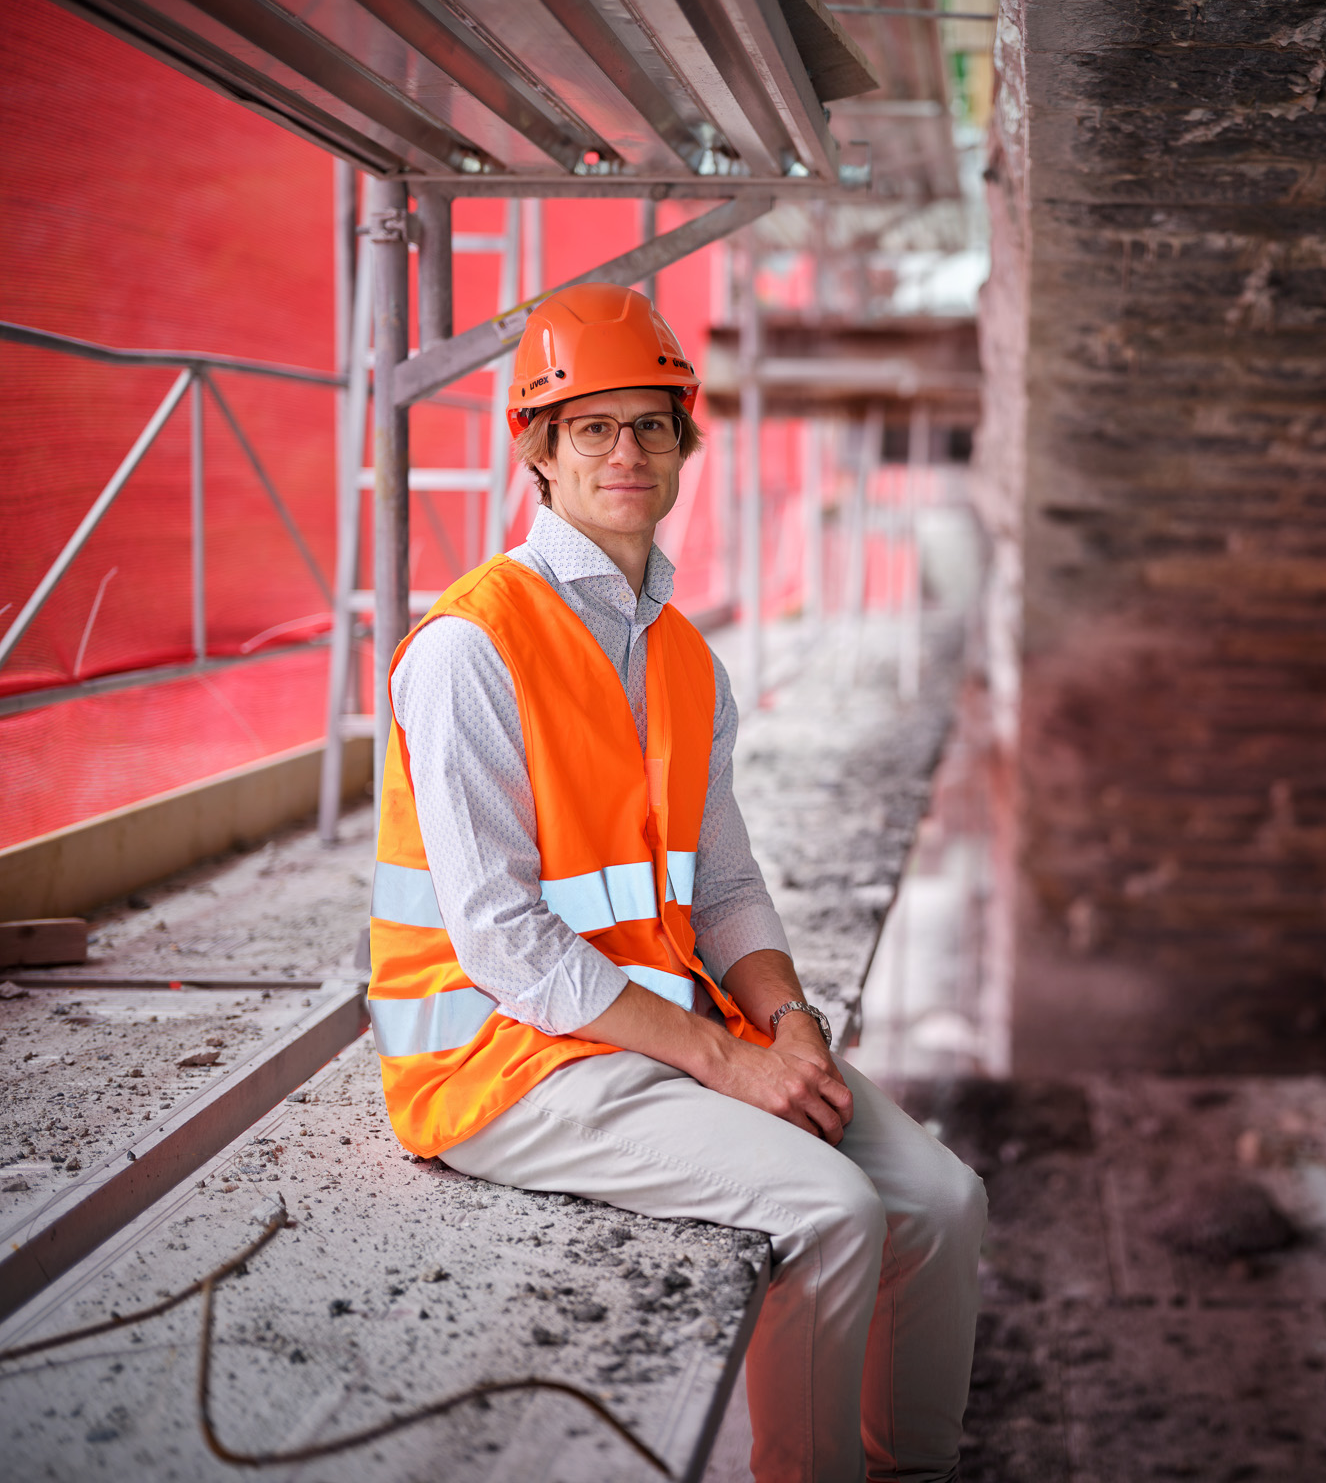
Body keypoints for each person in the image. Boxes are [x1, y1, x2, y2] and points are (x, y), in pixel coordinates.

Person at [365, 282, 985, 1483]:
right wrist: (727, 1063)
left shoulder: (685, 657)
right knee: (830, 1209)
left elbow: (727, 885)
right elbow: (501, 940)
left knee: (944, 1202)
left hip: (651, 1027)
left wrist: (788, 1025)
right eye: (591, 426)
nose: (626, 452)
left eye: (651, 425)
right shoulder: (469, 649)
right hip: (503, 1060)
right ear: (538, 451)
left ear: (684, 447)